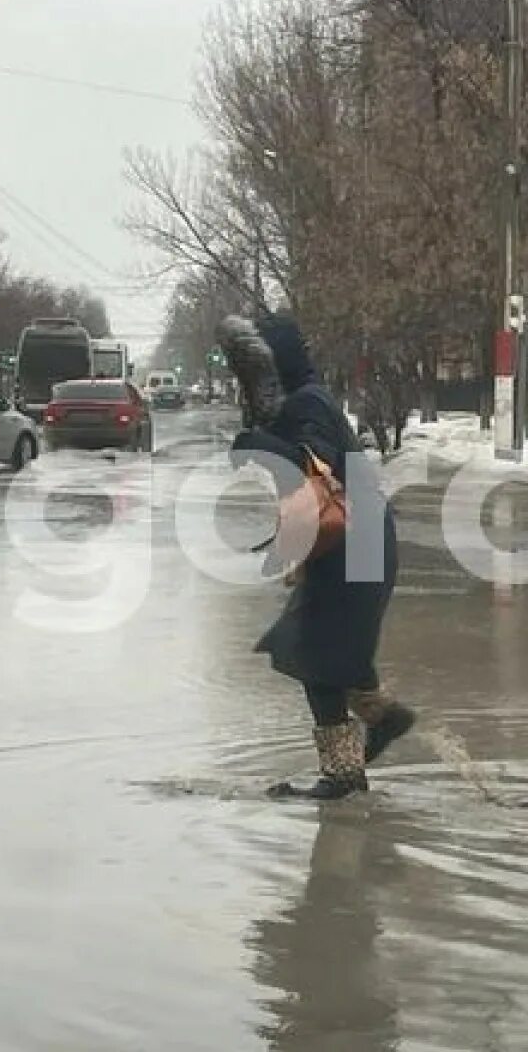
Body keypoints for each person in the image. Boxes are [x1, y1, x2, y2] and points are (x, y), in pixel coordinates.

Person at [230, 314, 415, 799]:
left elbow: (317, 461)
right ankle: (384, 718)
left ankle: (344, 775)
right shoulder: (301, 397)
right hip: (357, 540)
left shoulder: (307, 401)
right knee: (329, 648)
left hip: (356, 541)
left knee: (315, 654)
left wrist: (262, 445)